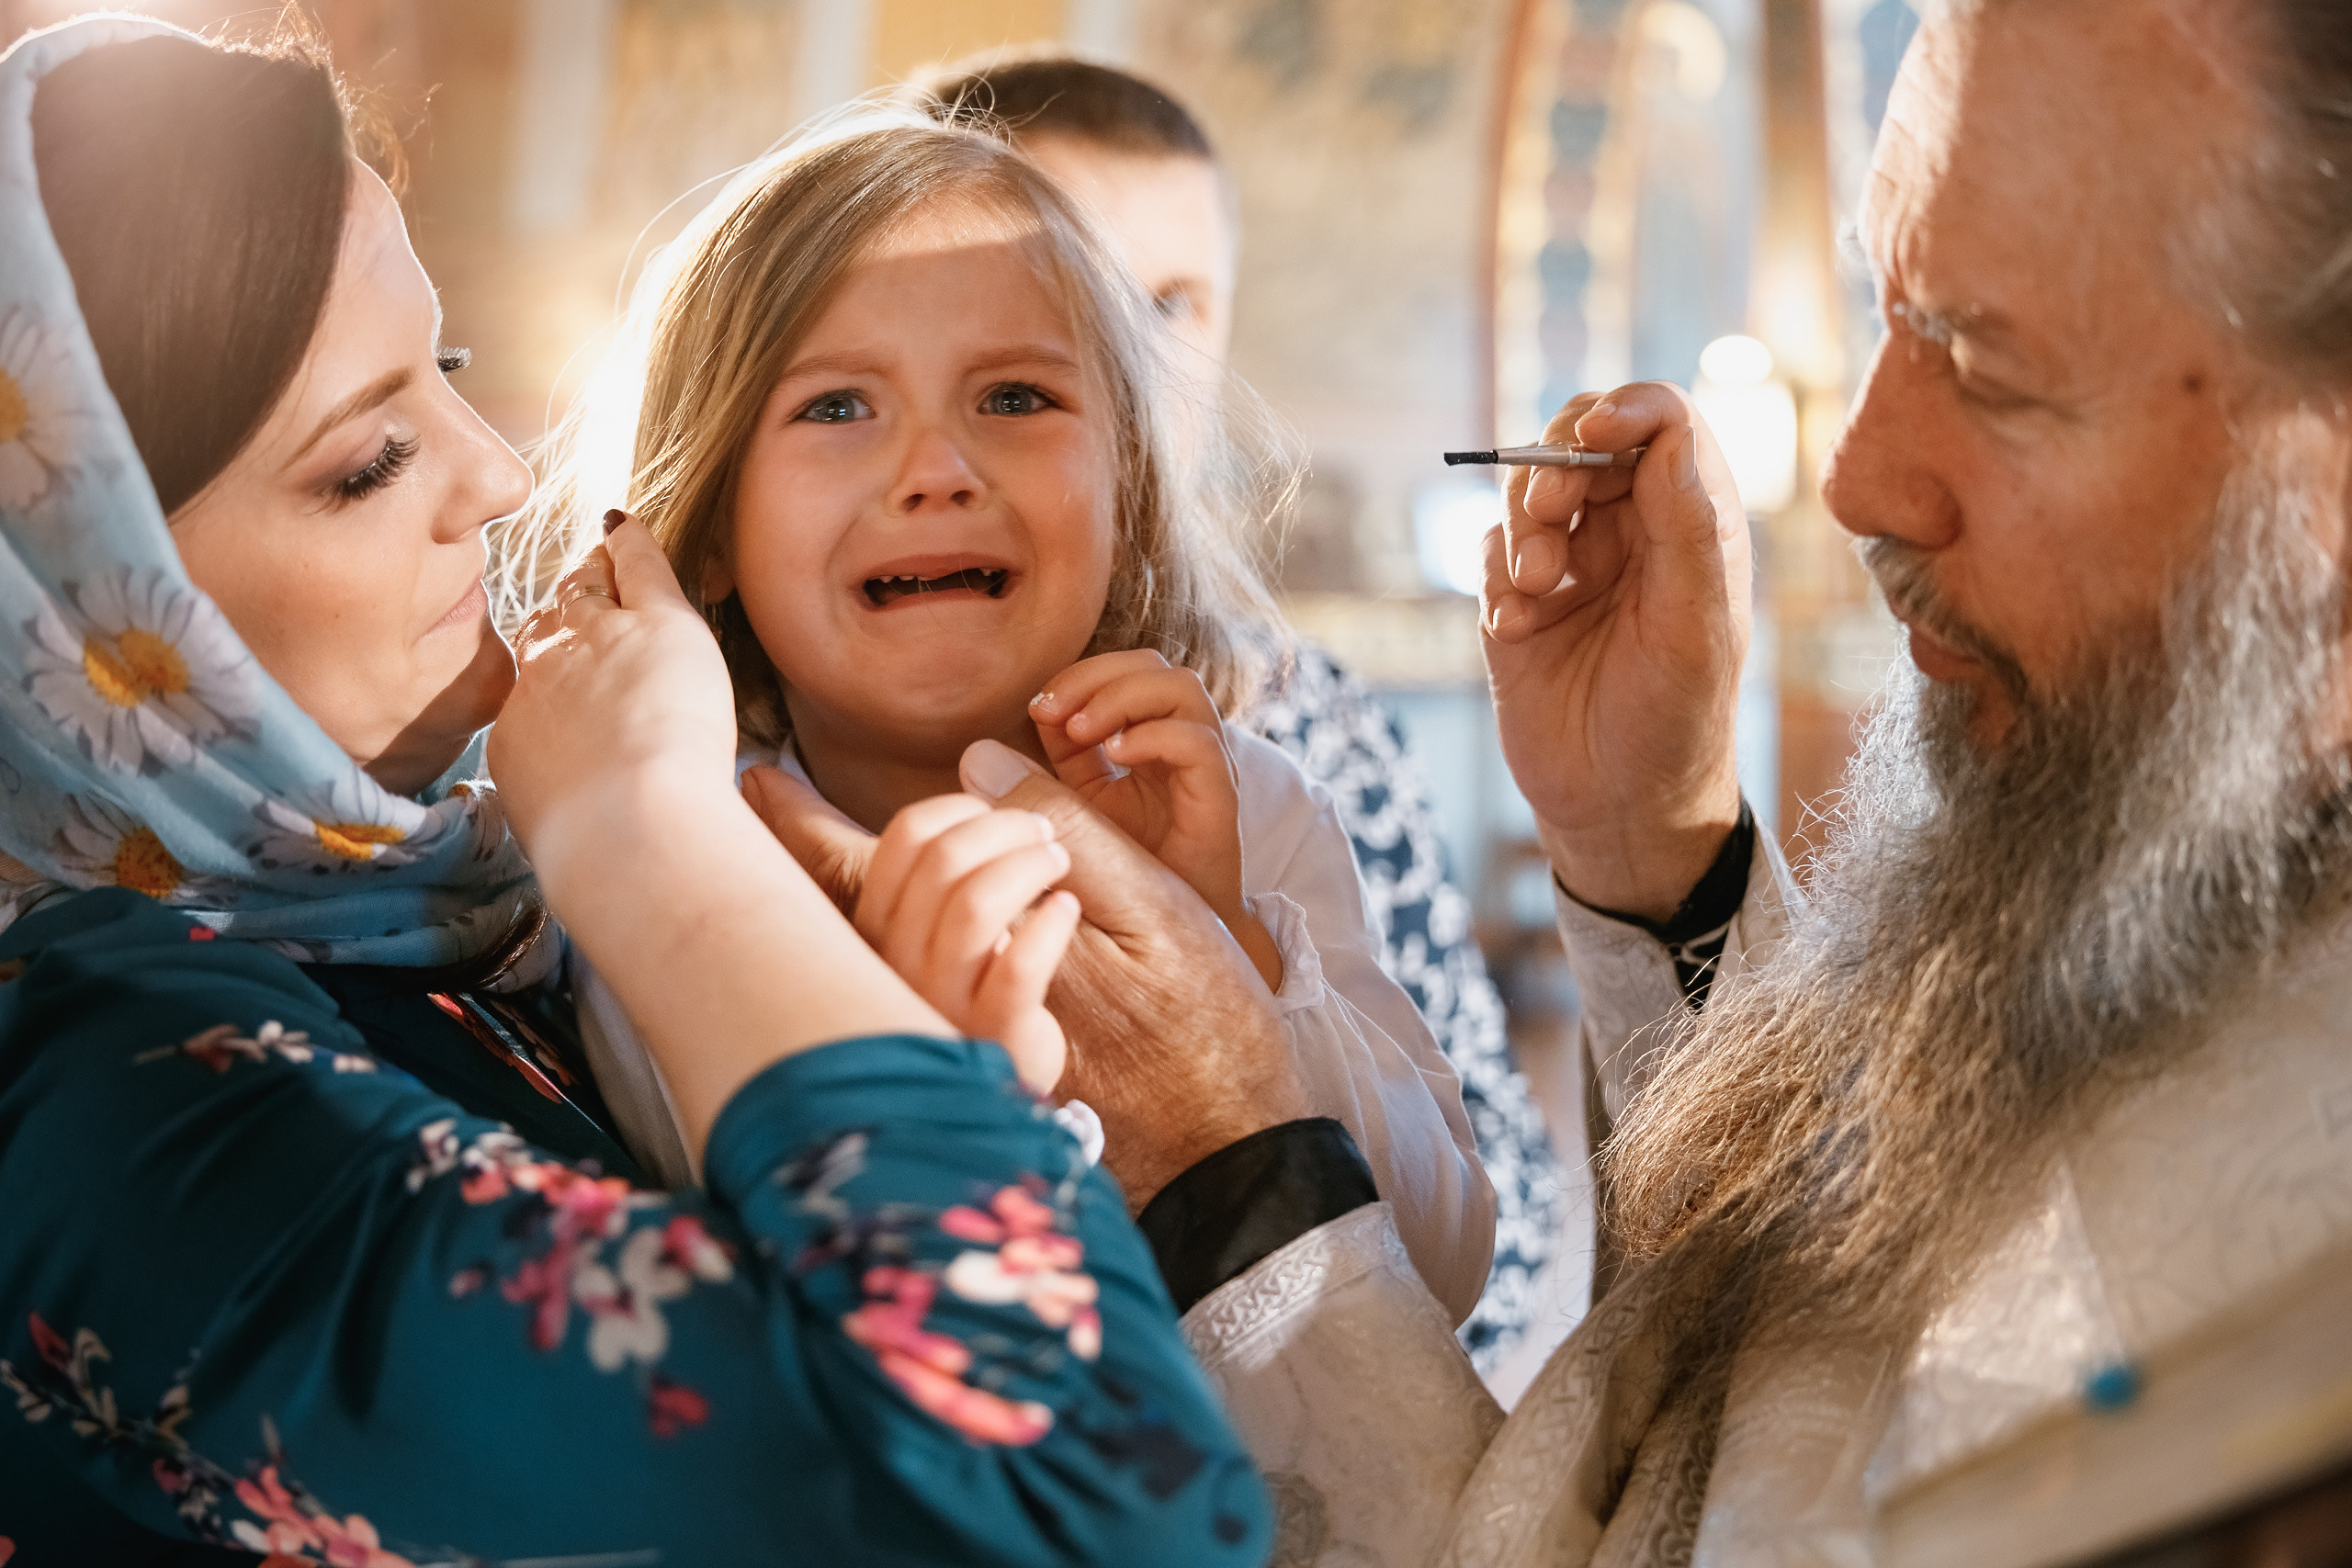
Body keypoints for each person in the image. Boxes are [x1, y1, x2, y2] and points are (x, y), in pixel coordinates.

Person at [0, 17, 1325, 1562]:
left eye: (449, 372)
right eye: (366, 462)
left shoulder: (440, 925)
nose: (498, 473)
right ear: (83, 619)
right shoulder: (108, 1098)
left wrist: (919, 1041)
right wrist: (658, 840)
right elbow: (1106, 1504)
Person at [1087, 0, 2352, 1562]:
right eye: (1888, 312)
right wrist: (1654, 844)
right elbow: (1775, 1411)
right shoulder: (2191, 840)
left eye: (1987, 362)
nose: (1858, 476)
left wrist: (1238, 1178)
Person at [519, 113, 1497, 1325]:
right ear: (710, 526)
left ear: (1126, 492)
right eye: (836, 408)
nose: (937, 468)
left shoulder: (1247, 808)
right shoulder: (685, 864)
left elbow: (1447, 1263)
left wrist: (1226, 949)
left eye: (1016, 396)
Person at [909, 52, 1565, 1372]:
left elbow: (1499, 1202)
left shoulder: (1302, 719)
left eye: (1175, 302)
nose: (1140, 356)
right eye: (1076, 292)